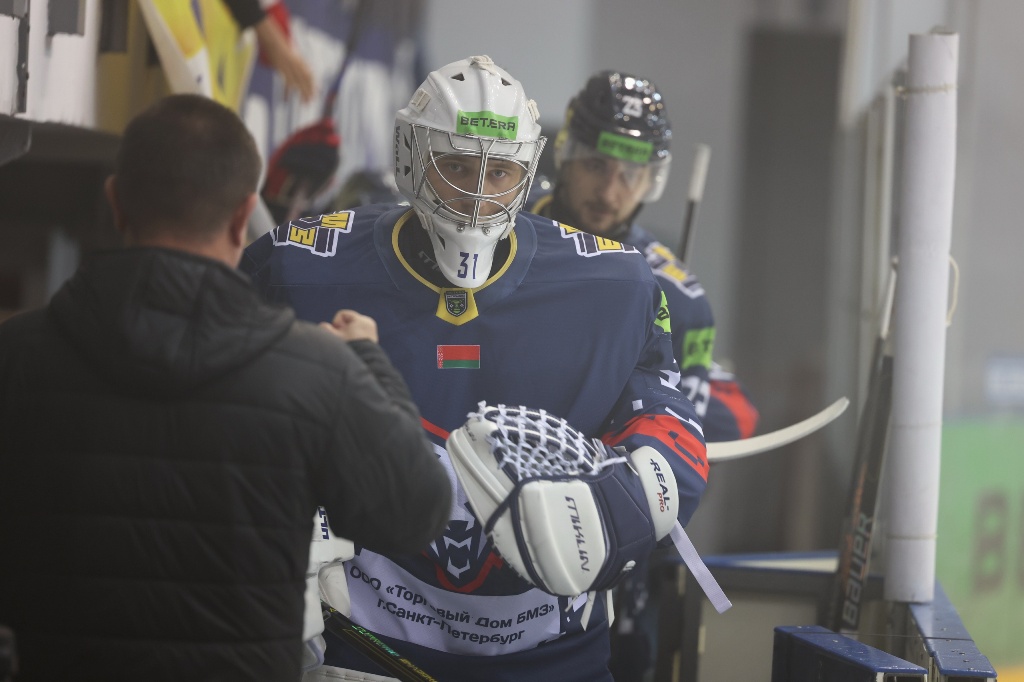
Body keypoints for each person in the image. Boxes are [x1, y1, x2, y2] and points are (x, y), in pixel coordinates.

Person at [241, 55, 710, 681]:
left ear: (529, 169)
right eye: (458, 165)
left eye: (500, 171)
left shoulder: (619, 282)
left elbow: (671, 422)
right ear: (412, 156)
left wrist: (623, 505)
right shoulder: (299, 262)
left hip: (552, 660)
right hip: (358, 649)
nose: (478, 192)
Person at [0, 94, 451, 681]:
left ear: (114, 202)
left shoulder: (17, 353)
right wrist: (369, 362)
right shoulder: (317, 371)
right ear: (243, 217)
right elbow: (417, 514)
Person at [528, 70, 760, 679]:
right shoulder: (503, 237)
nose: (611, 190)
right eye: (597, 166)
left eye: (631, 175)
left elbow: (679, 453)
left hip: (605, 543)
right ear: (568, 155)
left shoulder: (682, 299)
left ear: (652, 179)